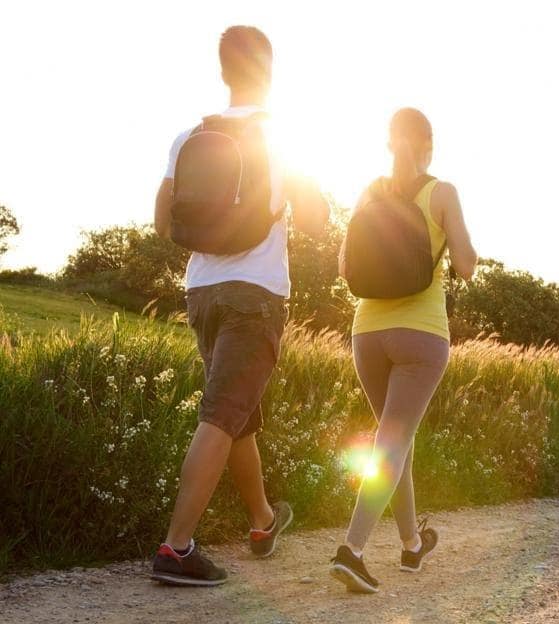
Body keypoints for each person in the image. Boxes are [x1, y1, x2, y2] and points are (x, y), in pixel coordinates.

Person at [151, 25, 329, 587]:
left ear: (224, 73)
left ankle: (262, 522)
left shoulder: (189, 136)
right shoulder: (280, 140)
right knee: (222, 415)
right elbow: (317, 221)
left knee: (238, 419)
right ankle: (177, 549)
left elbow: (163, 222)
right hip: (256, 294)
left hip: (201, 290)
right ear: (269, 74)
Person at [332, 108, 478, 593]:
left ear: (390, 143)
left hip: (367, 333)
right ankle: (351, 551)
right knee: (391, 443)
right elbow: (467, 265)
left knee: (396, 443)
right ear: (429, 146)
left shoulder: (370, 191)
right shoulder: (443, 192)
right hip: (421, 334)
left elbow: (343, 264)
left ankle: (413, 544)